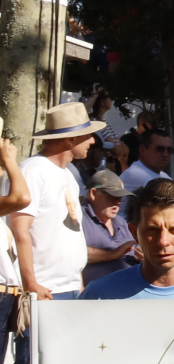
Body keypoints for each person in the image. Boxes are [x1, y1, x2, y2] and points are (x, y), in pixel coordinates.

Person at [11, 103, 102, 301]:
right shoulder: (31, 171)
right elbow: (19, 230)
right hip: (44, 290)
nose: (92, 140)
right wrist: (31, 283)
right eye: (87, 135)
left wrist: (78, 283)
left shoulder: (69, 175)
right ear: (71, 139)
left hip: (70, 288)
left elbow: (72, 232)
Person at [80, 170, 137, 285]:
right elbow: (73, 253)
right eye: (112, 196)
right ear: (93, 194)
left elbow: (135, 251)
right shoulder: (79, 218)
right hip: (95, 293)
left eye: (120, 198)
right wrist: (113, 254)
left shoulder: (120, 222)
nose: (118, 202)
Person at [117, 129, 173, 215]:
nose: (165, 154)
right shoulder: (136, 175)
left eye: (169, 150)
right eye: (159, 149)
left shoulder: (163, 175)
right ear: (142, 150)